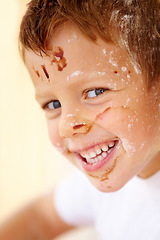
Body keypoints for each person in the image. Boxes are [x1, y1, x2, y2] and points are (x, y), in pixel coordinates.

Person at [0, 0, 160, 239]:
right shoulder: (104, 182)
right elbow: (41, 217)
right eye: (53, 105)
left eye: (95, 92)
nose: (67, 126)